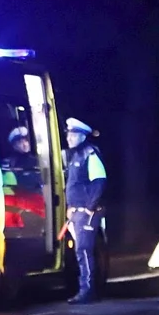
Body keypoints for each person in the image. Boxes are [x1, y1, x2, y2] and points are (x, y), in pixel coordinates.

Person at [63, 117, 106, 304]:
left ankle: (87, 291)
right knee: (81, 252)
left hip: (87, 212)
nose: (69, 138)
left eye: (73, 134)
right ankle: (86, 289)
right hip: (77, 212)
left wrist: (89, 208)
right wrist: (70, 208)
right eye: (69, 134)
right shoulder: (75, 156)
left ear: (82, 136)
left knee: (84, 250)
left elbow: (100, 181)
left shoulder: (90, 154)